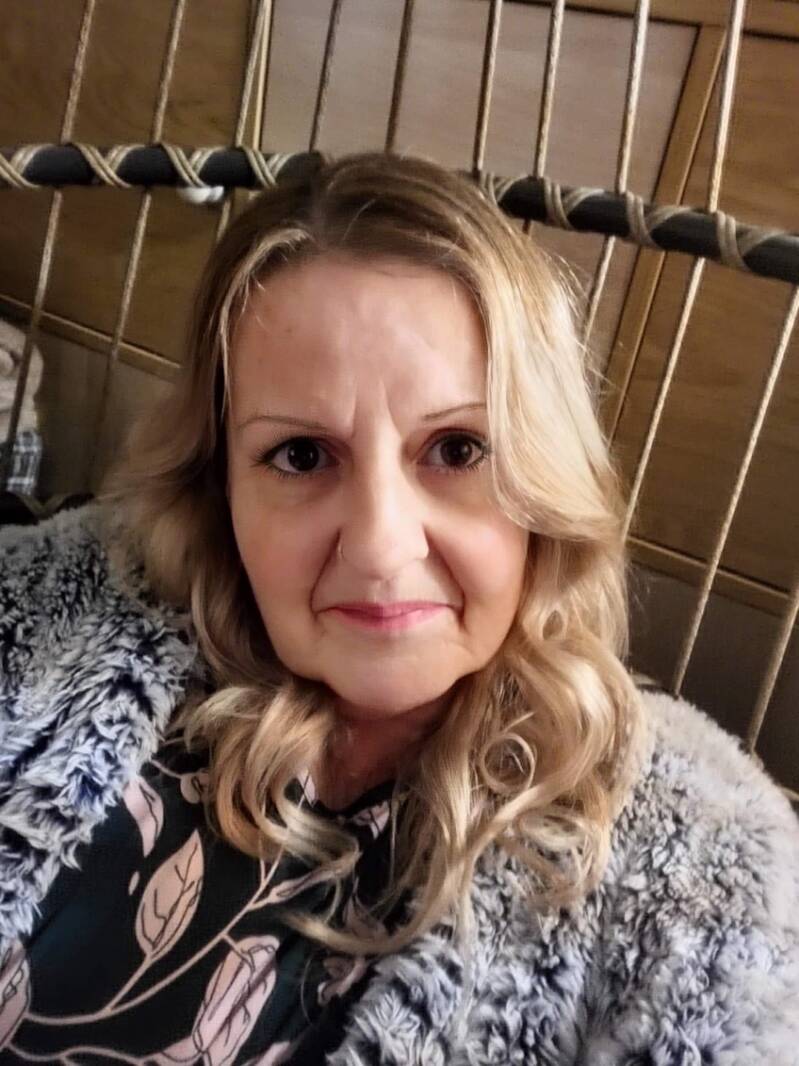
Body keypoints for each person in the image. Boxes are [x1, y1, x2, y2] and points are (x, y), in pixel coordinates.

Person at [0, 151, 797, 1065]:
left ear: (544, 480)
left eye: (457, 449)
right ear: (219, 487)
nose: (381, 547)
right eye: (302, 456)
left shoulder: (704, 873)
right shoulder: (49, 627)